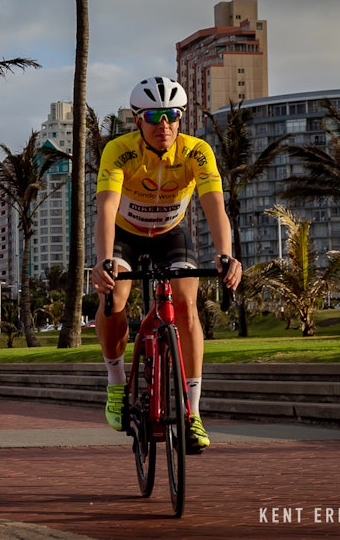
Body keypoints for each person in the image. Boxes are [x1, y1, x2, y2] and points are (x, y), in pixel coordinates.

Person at [91, 76, 242, 452]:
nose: (165, 125)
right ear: (138, 120)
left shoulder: (197, 152)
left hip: (171, 234)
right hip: (126, 235)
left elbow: (215, 209)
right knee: (116, 298)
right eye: (155, 116)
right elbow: (107, 209)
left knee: (187, 307)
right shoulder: (118, 150)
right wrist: (104, 262)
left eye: (172, 115)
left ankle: (192, 412)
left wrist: (226, 255)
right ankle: (115, 382)